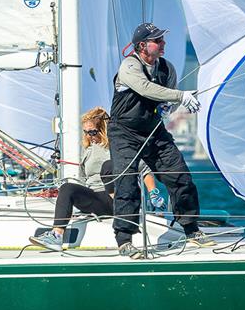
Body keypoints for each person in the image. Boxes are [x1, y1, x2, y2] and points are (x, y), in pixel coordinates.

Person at [109, 22, 211, 259]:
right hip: (124, 131)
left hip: (154, 130)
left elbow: (166, 96)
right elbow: (145, 88)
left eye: (162, 40)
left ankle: (191, 229)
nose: (163, 44)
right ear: (143, 45)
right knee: (126, 184)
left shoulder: (167, 68)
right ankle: (124, 240)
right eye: (158, 40)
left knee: (180, 176)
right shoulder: (129, 66)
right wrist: (181, 96)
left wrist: (171, 104)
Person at [29, 107, 166, 252]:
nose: (89, 136)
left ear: (103, 129)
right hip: (96, 198)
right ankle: (56, 235)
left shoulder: (119, 146)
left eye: (93, 132)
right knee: (67, 188)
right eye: (86, 132)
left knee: (107, 166)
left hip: (119, 198)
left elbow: (144, 169)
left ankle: (120, 211)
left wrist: (153, 193)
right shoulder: (88, 148)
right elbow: (83, 178)